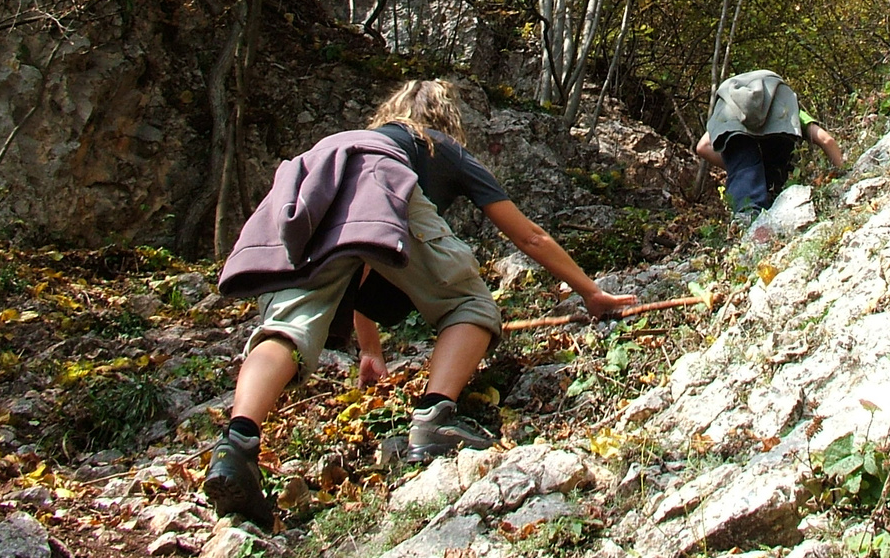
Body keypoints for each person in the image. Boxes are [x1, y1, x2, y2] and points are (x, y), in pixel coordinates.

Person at [204, 79, 635, 528]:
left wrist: (370, 349)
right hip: (381, 178)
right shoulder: (438, 146)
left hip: (306, 188)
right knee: (469, 303)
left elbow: (364, 255)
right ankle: (434, 418)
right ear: (444, 118)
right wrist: (590, 291)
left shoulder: (350, 143)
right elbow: (528, 234)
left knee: (286, 329)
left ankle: (238, 444)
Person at [694, 70, 845, 216]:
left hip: (734, 132)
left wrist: (742, 168)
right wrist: (845, 177)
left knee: (741, 158)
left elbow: (702, 147)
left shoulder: (730, 109)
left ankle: (745, 219)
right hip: (777, 144)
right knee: (775, 169)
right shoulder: (785, 107)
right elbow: (826, 140)